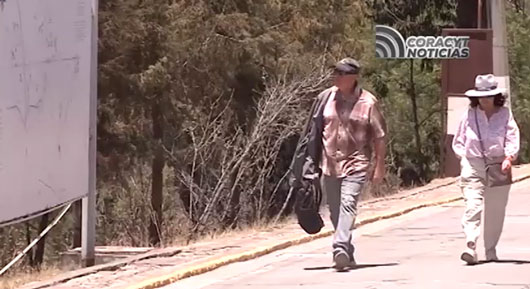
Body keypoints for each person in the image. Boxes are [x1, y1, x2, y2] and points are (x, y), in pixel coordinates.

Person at [318, 58, 387, 270]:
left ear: (353, 77)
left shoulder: (368, 102)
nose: (336, 76)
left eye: (341, 73)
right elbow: (313, 131)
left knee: (348, 203)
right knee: (335, 210)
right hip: (329, 163)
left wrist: (379, 166)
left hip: (356, 162)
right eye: (335, 72)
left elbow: (380, 136)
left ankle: (339, 246)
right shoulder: (325, 98)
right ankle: (347, 251)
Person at [452, 73, 520, 265]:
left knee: (496, 209)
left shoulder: (505, 114)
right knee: (472, 204)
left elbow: (512, 136)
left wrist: (509, 157)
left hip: (499, 164)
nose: (484, 100)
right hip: (473, 163)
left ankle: (490, 250)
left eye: (488, 96)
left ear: (496, 96)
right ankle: (471, 244)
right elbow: (459, 140)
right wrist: (464, 158)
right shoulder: (469, 115)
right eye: (481, 97)